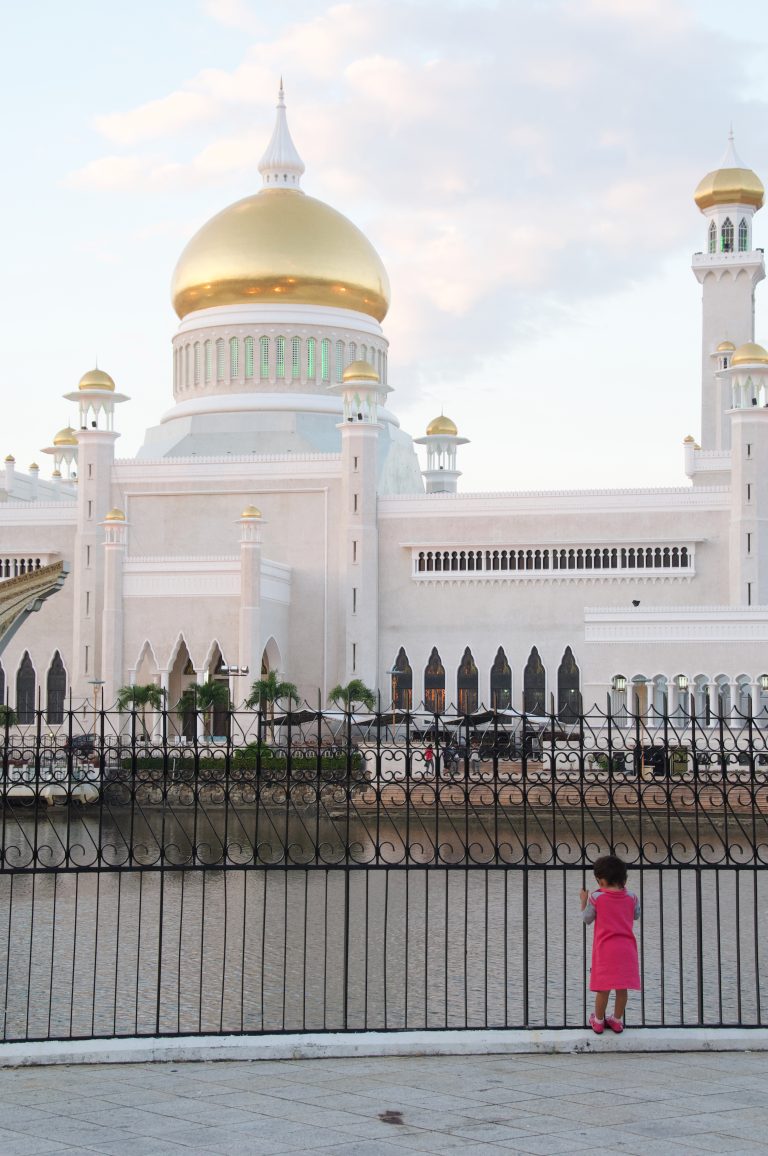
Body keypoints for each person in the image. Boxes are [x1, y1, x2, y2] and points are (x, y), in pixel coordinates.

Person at [579, 854, 640, 1034]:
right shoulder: (632, 897)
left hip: (605, 950)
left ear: (602, 881)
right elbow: (636, 915)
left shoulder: (597, 898)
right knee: (622, 988)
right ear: (624, 878)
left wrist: (583, 900)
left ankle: (598, 1021)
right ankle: (617, 1020)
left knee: (603, 988)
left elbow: (587, 919)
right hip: (627, 949)